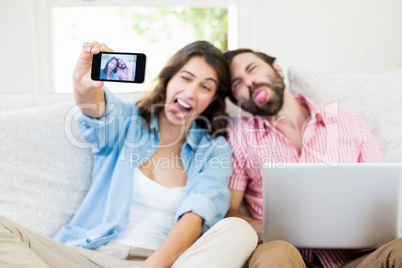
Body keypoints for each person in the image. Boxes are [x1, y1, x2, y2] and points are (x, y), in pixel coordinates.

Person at [0, 41, 258, 268]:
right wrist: (85, 86)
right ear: (168, 79)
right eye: (186, 78)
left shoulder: (214, 150)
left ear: (212, 99)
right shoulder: (127, 120)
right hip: (88, 256)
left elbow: (196, 217)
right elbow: (96, 112)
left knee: (240, 231)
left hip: (164, 262)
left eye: (205, 87)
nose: (191, 92)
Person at [223, 48, 402, 268]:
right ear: (236, 99)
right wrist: (263, 228)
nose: (249, 82)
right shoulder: (239, 135)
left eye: (252, 69)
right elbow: (229, 213)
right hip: (289, 256)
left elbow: (381, 193)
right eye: (237, 83)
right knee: (273, 254)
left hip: (359, 259)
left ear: (277, 69)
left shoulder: (347, 120)